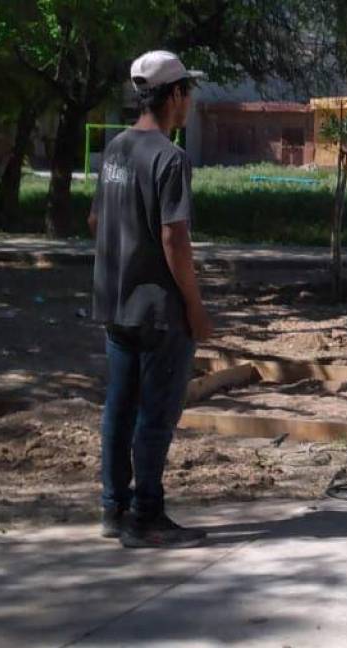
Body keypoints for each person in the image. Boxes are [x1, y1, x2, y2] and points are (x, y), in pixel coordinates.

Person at [89, 51, 209, 549]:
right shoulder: (170, 157)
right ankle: (148, 515)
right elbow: (174, 240)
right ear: (175, 94)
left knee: (119, 409)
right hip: (160, 313)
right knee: (156, 415)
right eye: (189, 92)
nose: (191, 103)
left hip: (115, 306)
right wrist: (196, 308)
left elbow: (95, 222)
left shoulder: (115, 149)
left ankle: (113, 508)